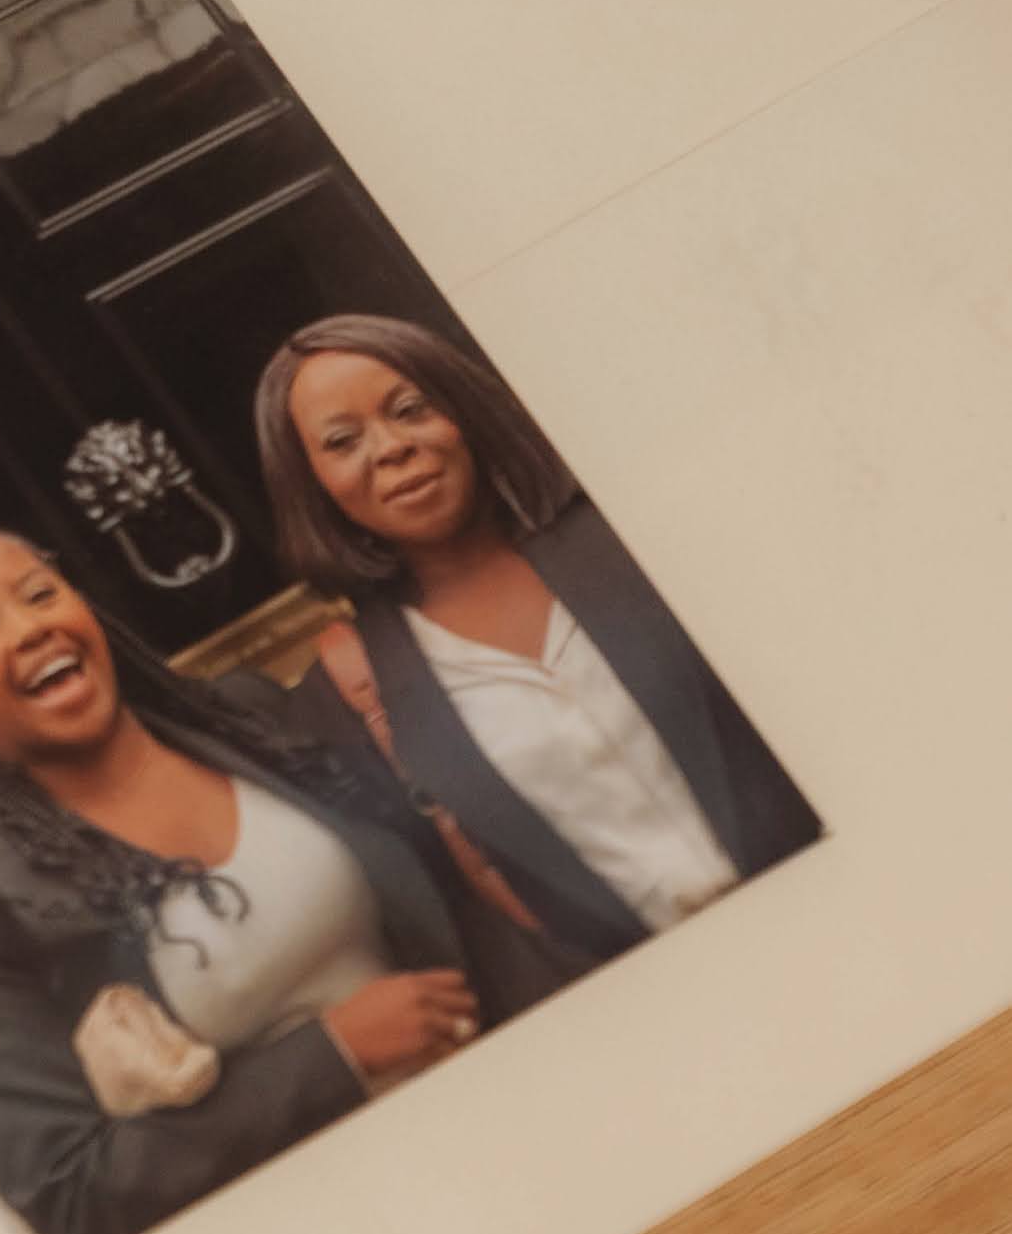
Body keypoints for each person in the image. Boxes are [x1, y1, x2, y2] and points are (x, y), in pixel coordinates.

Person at [0, 519, 482, 1234]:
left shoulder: (245, 719)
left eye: (39, 593)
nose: (30, 628)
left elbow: (451, 889)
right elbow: (71, 1195)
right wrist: (335, 1057)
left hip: (485, 1117)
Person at [251, 315, 818, 983]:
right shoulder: (353, 697)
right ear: (312, 483)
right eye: (343, 441)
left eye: (410, 409)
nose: (392, 447)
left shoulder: (636, 536)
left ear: (462, 411)